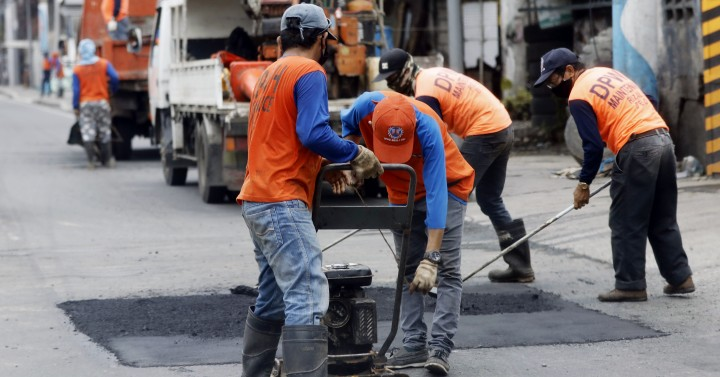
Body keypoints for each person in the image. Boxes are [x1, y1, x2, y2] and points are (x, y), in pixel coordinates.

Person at [236, 4, 383, 377]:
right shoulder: (309, 71)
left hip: (257, 199)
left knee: (271, 299)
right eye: (325, 41)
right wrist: (356, 154)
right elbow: (312, 133)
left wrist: (322, 167)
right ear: (319, 38)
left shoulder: (270, 74)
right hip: (282, 202)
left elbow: (279, 139)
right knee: (306, 293)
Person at [533, 47, 695, 302]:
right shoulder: (605, 73)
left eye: (552, 80)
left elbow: (593, 146)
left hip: (638, 147)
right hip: (662, 141)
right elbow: (649, 99)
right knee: (661, 217)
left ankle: (630, 285)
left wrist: (583, 184)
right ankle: (680, 278)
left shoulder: (578, 94)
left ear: (568, 71)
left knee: (625, 220)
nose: (551, 88)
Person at [374, 48, 535, 283]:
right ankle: (521, 266)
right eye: (389, 82)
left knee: (448, 196)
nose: (394, 86)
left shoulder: (424, 95)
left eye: (395, 79)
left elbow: (434, 142)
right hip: (502, 125)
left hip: (485, 131)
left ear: (407, 71)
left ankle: (436, 267)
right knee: (490, 198)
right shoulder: (431, 75)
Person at [342, 91, 475, 375]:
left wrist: (432, 257)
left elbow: (437, 190)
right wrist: (351, 159)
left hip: (448, 185)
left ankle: (440, 347)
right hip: (402, 189)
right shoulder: (364, 105)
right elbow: (348, 130)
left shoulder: (426, 124)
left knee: (446, 270)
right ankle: (414, 343)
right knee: (407, 269)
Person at [73, 39, 119, 169]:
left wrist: (75, 106)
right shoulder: (104, 64)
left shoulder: (78, 69)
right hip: (102, 102)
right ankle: (108, 160)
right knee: (105, 130)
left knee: (88, 132)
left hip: (86, 104)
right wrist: (112, 90)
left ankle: (91, 162)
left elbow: (76, 91)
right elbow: (115, 78)